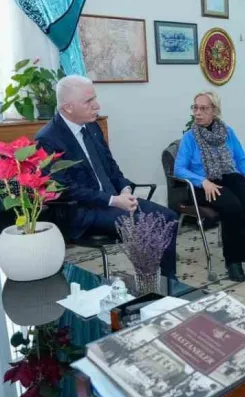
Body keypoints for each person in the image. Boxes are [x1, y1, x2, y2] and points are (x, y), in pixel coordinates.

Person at [36, 76, 179, 277]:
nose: (97, 106)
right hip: (81, 211)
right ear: (68, 107)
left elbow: (110, 166)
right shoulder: (48, 139)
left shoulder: (92, 127)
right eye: (88, 101)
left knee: (169, 218)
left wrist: (125, 189)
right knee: (148, 225)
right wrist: (113, 200)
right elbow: (64, 189)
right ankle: (149, 282)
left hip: (113, 200)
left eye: (95, 98)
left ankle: (168, 283)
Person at [174, 91, 245, 282]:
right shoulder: (190, 137)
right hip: (203, 184)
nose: (198, 112)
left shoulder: (228, 132)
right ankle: (233, 261)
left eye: (203, 108)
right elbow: (179, 169)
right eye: (195, 107)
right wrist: (202, 181)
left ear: (215, 111)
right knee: (233, 207)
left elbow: (240, 158)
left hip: (228, 176)